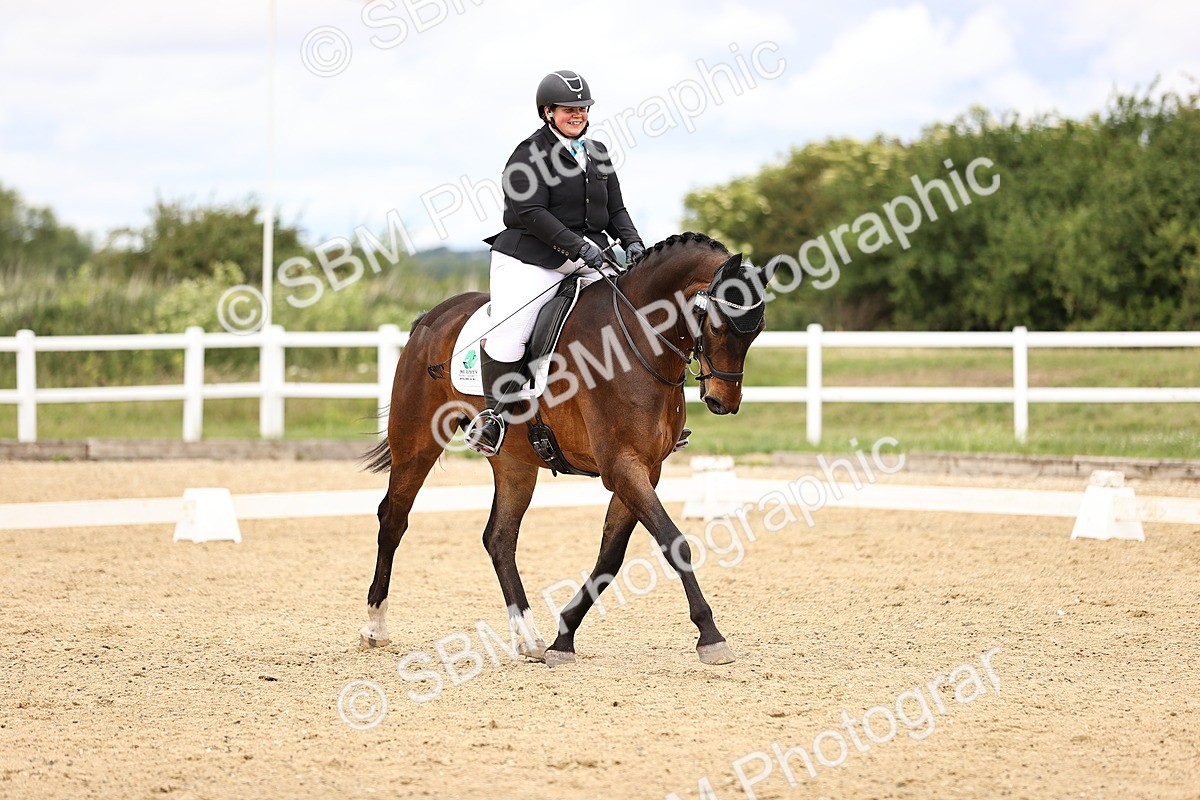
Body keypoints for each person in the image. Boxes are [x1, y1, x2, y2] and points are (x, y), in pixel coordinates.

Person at [465, 69, 646, 457]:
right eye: (569, 109)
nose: (578, 114)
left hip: (587, 256)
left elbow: (616, 208)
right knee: (512, 329)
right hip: (531, 257)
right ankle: (493, 417)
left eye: (583, 108)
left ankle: (649, 415)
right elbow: (529, 211)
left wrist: (632, 242)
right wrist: (579, 248)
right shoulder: (527, 155)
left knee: (635, 310)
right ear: (548, 112)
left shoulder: (597, 153)